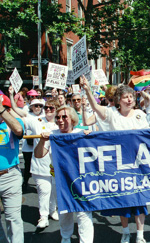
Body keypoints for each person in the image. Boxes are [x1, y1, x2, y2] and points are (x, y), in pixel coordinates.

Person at [80, 75, 149, 243]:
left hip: (138, 165)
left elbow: (149, 136)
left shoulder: (140, 114)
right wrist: (88, 90)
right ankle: (125, 232)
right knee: (122, 200)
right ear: (118, 100)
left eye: (131, 96)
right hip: (118, 165)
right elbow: (95, 108)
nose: (129, 99)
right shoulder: (111, 114)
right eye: (125, 97)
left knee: (139, 200)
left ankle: (140, 235)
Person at [34, 105, 94, 243]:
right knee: (64, 212)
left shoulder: (81, 132)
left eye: (64, 117)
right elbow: (39, 155)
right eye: (58, 117)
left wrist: (91, 137)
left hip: (81, 180)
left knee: (83, 212)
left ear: (72, 119)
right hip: (60, 180)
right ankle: (65, 238)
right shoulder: (52, 134)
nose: (60, 120)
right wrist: (43, 140)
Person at [23, 100, 60, 228]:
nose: (48, 110)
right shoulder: (36, 121)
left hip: (56, 165)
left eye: (52, 108)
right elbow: (21, 122)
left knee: (54, 191)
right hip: (40, 164)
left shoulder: (60, 122)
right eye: (47, 108)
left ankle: (52, 210)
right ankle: (43, 217)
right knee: (44, 190)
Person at [9, 86, 45, 192]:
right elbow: (14, 109)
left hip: (40, 145)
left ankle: (42, 184)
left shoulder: (45, 115)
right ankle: (25, 183)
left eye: (39, 106)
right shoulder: (27, 114)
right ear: (31, 107)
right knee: (28, 165)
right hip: (28, 146)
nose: (38, 107)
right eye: (35, 106)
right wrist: (11, 95)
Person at [0, 93, 25, 243]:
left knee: (13, 219)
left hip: (10, 176)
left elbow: (18, 130)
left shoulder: (16, 122)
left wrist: (1, 110)